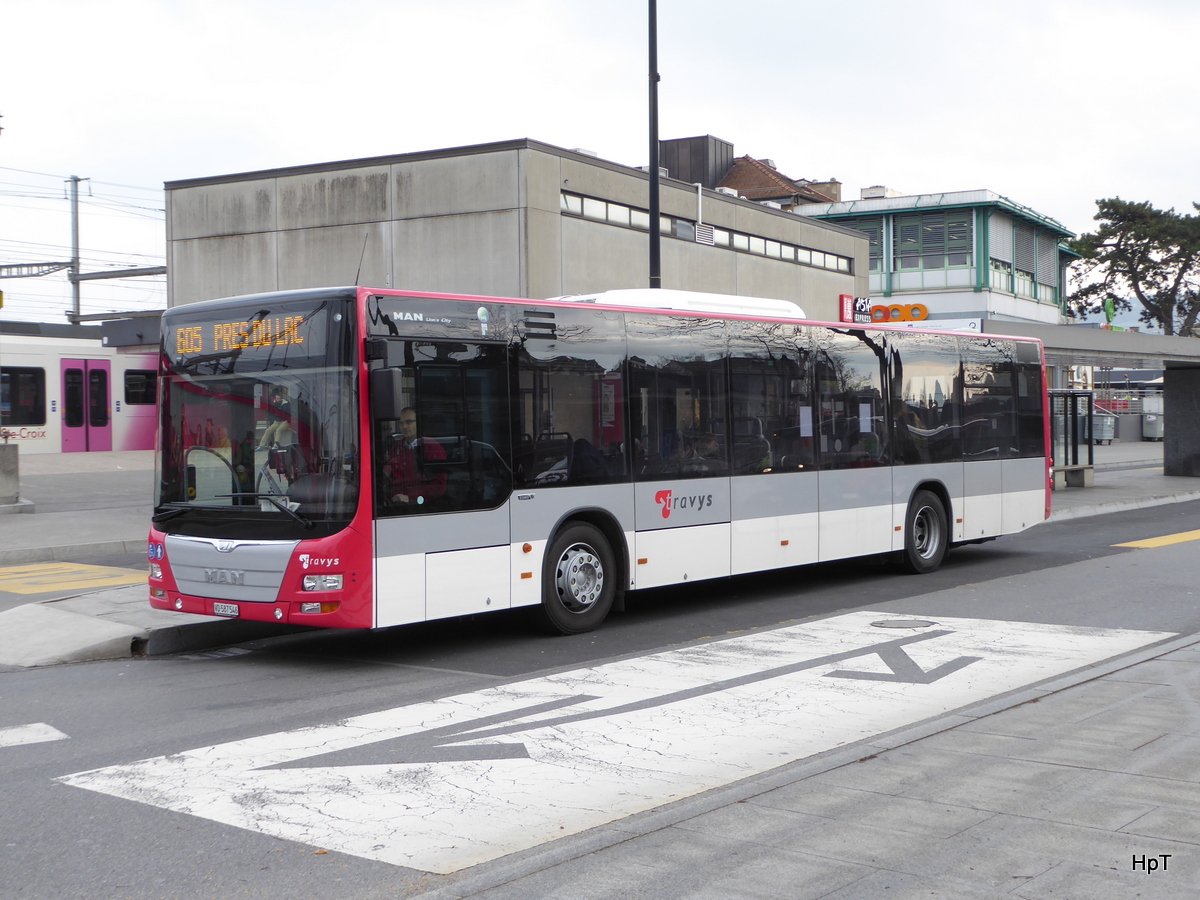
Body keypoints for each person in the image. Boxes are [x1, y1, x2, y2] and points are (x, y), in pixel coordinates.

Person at [384, 408, 447, 507]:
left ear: (418, 423)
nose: (404, 426)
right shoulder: (397, 448)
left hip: (419, 507)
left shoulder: (432, 447)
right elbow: (388, 475)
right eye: (401, 423)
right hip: (394, 501)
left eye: (409, 422)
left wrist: (410, 497)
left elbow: (439, 487)